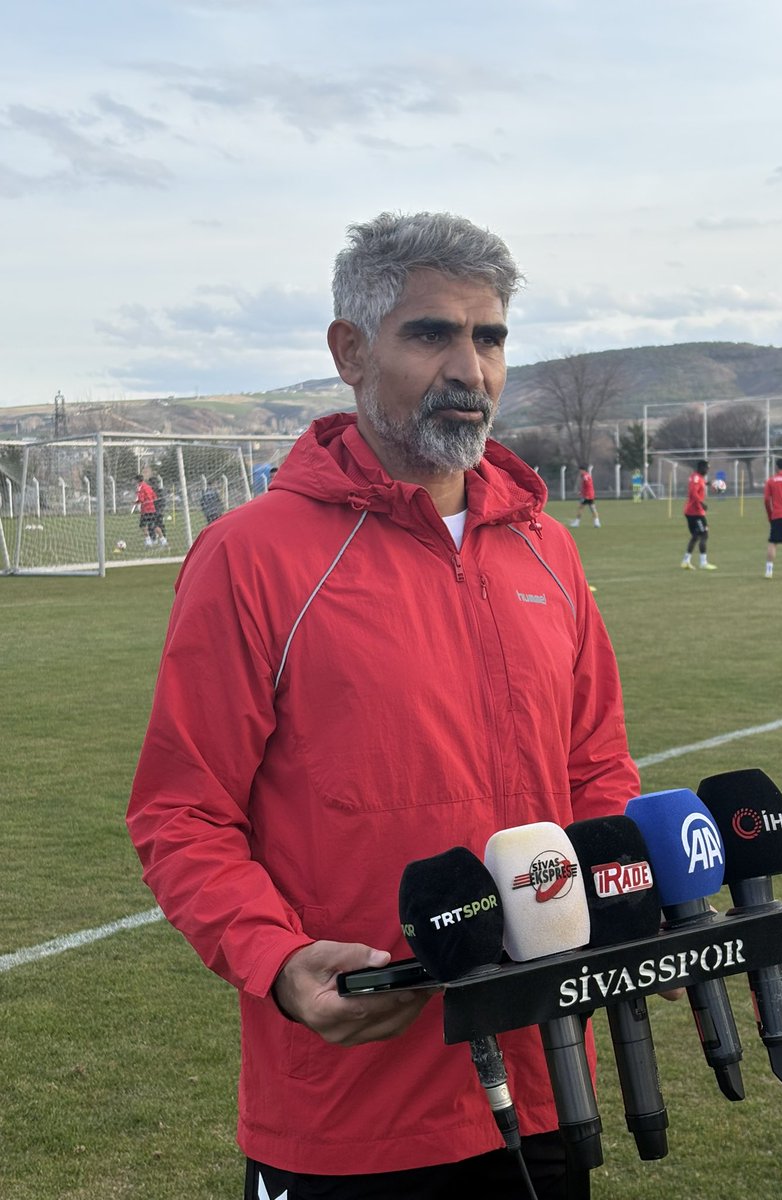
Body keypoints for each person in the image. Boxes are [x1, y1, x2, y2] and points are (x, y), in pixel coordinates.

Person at [126, 211, 643, 1200]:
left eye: (489, 337)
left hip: (545, 1083)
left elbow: (597, 771)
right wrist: (273, 960)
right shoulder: (253, 555)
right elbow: (181, 812)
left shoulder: (546, 549)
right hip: (349, 1110)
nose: (470, 369)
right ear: (349, 352)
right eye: (431, 334)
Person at [680, 459, 716, 570]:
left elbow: (697, 484)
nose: (707, 471)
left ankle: (685, 561)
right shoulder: (696, 478)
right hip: (696, 512)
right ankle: (703, 563)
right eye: (706, 468)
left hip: (691, 512)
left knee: (696, 536)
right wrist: (701, 503)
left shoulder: (697, 478)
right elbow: (693, 492)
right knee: (704, 534)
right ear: (700, 468)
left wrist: (707, 483)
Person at [133, 475, 158, 547]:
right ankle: (161, 540)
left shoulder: (140, 487)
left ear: (137, 480)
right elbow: (155, 497)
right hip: (152, 508)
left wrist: (136, 501)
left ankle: (148, 540)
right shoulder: (148, 486)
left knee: (143, 525)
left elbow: (141, 500)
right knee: (153, 525)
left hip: (146, 510)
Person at [148, 474, 169, 546]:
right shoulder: (156, 490)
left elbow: (162, 501)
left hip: (156, 510)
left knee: (155, 525)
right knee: (157, 525)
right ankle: (155, 539)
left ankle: (162, 539)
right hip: (156, 510)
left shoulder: (158, 491)